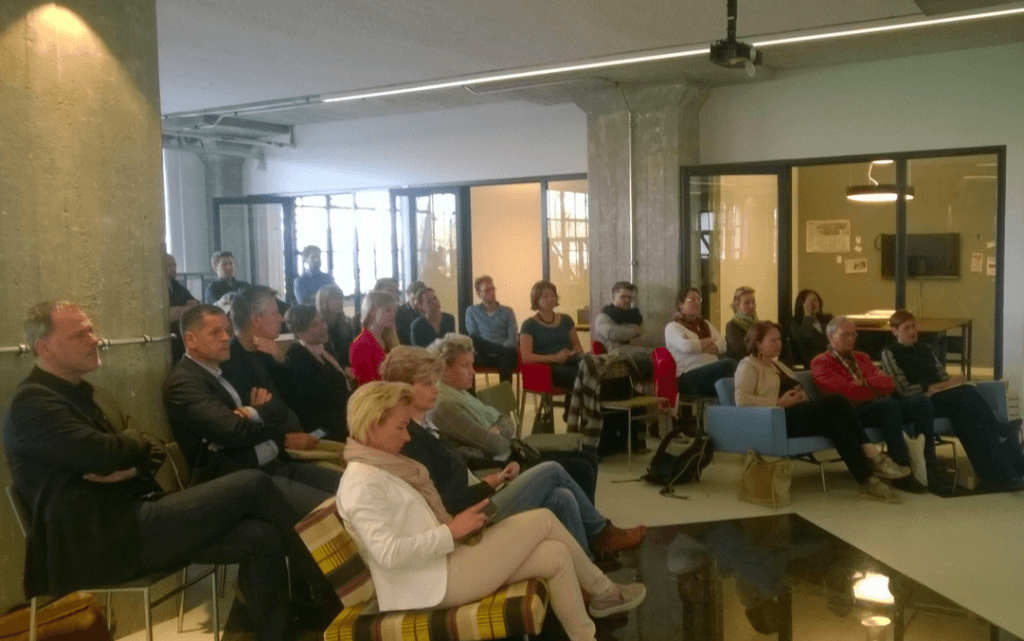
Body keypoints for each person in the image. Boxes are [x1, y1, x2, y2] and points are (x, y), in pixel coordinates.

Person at [4, 301, 333, 641]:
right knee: (254, 484)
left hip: (133, 517)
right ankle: (332, 594)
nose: (94, 340)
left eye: (91, 331)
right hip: (101, 541)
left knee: (261, 535)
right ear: (44, 348)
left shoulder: (87, 393)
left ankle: (279, 632)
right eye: (79, 335)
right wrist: (130, 450)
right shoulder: (33, 404)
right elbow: (108, 455)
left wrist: (130, 461)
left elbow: (152, 445)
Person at [336, 382, 646, 641]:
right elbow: (389, 554)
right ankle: (605, 593)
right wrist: (450, 531)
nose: (407, 436)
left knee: (556, 555)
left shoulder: (381, 468)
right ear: (373, 425)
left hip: (438, 568)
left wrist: (452, 530)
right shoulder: (362, 483)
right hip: (430, 585)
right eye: (400, 427)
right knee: (543, 520)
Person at [379, 347, 644, 558]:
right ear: (403, 388)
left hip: (479, 495)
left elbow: (458, 460)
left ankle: (588, 564)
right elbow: (442, 501)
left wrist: (495, 475)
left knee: (562, 497)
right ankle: (601, 532)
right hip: (471, 516)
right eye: (427, 384)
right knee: (553, 470)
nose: (435, 389)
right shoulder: (408, 438)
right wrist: (489, 484)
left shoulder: (423, 426)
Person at [163, 304, 342, 515]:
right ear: (191, 339)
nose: (225, 337)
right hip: (237, 481)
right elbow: (234, 430)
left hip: (271, 464)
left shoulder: (220, 370)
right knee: (335, 510)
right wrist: (258, 414)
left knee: (351, 487)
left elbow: (278, 406)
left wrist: (251, 412)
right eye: (215, 332)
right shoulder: (184, 382)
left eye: (227, 330)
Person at [734, 321, 906, 502]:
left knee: (839, 424)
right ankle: (873, 454)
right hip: (778, 418)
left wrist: (803, 397)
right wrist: (779, 402)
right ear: (758, 343)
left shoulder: (781, 367)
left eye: (779, 339)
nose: (779, 344)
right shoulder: (749, 365)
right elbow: (741, 400)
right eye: (773, 340)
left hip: (798, 414)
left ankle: (867, 481)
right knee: (837, 400)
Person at [429, 334, 601, 500]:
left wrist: (497, 429)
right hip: (503, 466)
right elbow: (496, 446)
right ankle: (590, 520)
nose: (473, 372)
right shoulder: (445, 406)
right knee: (582, 468)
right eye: (465, 366)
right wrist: (497, 431)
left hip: (513, 453)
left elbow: (506, 420)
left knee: (589, 458)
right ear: (445, 371)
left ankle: (589, 518)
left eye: (472, 365)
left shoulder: (461, 394)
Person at [881, 310, 1024, 491]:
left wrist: (942, 386)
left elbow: (943, 377)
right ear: (894, 331)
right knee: (965, 394)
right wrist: (933, 387)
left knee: (967, 417)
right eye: (906, 328)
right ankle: (998, 429)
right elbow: (903, 390)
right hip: (916, 403)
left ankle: (997, 474)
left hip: (937, 397)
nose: (912, 332)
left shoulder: (925, 349)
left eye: (914, 327)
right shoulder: (890, 353)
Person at [810, 316, 949, 494]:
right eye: (845, 335)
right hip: (851, 414)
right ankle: (901, 468)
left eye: (853, 334)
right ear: (831, 337)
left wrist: (863, 383)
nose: (851, 339)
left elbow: (889, 384)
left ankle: (929, 463)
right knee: (888, 405)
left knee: (921, 402)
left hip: (878, 406)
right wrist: (873, 387)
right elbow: (845, 394)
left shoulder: (862, 357)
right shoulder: (821, 362)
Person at [284, 304, 351, 441]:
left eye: (322, 321)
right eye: (315, 324)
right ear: (299, 332)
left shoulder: (324, 350)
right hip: (322, 431)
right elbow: (326, 394)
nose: (323, 327)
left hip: (340, 420)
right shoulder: (297, 357)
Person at [664, 287, 737, 396]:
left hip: (710, 372)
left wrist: (698, 347)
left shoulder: (705, 324)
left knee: (739, 372)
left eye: (699, 299)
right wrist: (711, 340)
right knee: (729, 365)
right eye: (692, 300)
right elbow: (687, 347)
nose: (697, 303)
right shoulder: (673, 327)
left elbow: (723, 344)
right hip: (688, 376)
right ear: (681, 305)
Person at [520, 280, 584, 390]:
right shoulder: (529, 325)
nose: (550, 299)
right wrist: (555, 358)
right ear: (536, 300)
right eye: (545, 297)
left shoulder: (566, 319)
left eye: (553, 296)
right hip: (548, 368)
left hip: (570, 361)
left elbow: (578, 347)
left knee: (593, 370)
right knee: (580, 376)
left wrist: (573, 353)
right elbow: (526, 357)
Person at [592, 281, 654, 380]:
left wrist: (626, 340)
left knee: (664, 355)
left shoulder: (635, 316)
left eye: (630, 297)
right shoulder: (603, 317)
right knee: (644, 359)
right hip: (619, 354)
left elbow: (649, 337)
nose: (627, 300)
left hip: (643, 351)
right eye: (623, 297)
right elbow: (613, 334)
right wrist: (635, 331)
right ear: (614, 297)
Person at [464, 275, 518, 382]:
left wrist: (501, 350)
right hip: (483, 354)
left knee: (508, 354)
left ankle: (504, 393)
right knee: (472, 340)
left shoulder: (508, 312)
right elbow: (474, 336)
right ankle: (470, 393)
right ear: (479, 293)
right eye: (487, 290)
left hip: (504, 356)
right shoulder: (472, 311)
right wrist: (498, 349)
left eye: (493, 289)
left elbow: (513, 339)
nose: (492, 293)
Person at [350, 289, 398, 385]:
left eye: (394, 310)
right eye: (388, 310)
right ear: (372, 311)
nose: (393, 314)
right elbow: (368, 383)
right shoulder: (361, 344)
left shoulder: (388, 339)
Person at [315, 283, 357, 369]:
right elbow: (322, 356)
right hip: (330, 369)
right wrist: (343, 368)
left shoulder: (347, 323)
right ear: (323, 301)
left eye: (341, 297)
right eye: (334, 298)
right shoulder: (317, 326)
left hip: (350, 368)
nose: (340, 301)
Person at [790, 289, 832, 368]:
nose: (813, 304)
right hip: (812, 362)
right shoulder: (796, 322)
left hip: (832, 358)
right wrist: (807, 315)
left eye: (815, 300)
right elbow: (806, 337)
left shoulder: (827, 319)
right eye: (809, 301)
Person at [724, 286, 757, 361]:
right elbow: (742, 351)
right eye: (746, 303)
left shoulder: (756, 324)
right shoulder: (731, 326)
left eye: (753, 302)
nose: (752, 306)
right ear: (737, 305)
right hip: (739, 364)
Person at [395, 280, 425, 346]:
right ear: (408, 296)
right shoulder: (400, 311)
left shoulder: (426, 310)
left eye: (419, 299)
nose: (416, 302)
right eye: (413, 299)